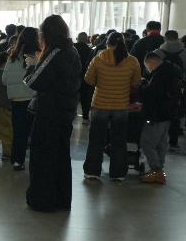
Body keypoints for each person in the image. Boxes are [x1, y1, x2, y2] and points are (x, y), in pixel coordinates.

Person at [24, 15, 81, 212]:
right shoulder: (72, 51)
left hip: (49, 112)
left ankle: (42, 200)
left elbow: (34, 81)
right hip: (65, 111)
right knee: (61, 158)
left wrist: (31, 65)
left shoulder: (55, 52)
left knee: (42, 158)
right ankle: (61, 199)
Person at [83, 31, 141, 181]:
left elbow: (88, 80)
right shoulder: (132, 61)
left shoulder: (98, 59)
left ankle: (92, 171)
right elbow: (136, 83)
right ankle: (118, 173)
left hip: (99, 104)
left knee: (96, 139)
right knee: (119, 140)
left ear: (107, 43)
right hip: (121, 105)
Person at [138, 52, 182, 184]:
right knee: (161, 143)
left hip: (158, 114)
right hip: (170, 112)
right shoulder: (173, 70)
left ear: (152, 63)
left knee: (146, 142)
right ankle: (159, 170)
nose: (148, 70)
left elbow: (152, 94)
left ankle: (156, 170)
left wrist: (142, 86)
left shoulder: (160, 74)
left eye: (147, 67)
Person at [2, 27, 38, 170]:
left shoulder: (12, 56)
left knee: (18, 132)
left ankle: (17, 161)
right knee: (34, 134)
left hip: (16, 100)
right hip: (33, 99)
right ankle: (35, 162)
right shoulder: (38, 56)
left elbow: (4, 79)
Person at [74, 31, 95, 122]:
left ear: (77, 39)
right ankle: (85, 116)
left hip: (74, 76)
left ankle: (73, 112)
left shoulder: (72, 48)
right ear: (87, 40)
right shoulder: (90, 50)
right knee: (85, 98)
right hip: (85, 76)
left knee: (73, 95)